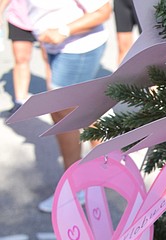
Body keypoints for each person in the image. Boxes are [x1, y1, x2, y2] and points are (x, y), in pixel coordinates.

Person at [26, 0, 111, 211]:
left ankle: (75, 188)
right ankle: (105, 159)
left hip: (77, 49)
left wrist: (63, 30)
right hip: (56, 47)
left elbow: (103, 10)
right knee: (79, 108)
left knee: (63, 116)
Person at [0, 0, 49, 112]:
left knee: (49, 60)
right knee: (21, 59)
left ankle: (55, 100)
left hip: (46, 19)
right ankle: (20, 102)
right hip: (19, 18)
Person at [113, 0, 139, 65]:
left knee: (151, 44)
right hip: (122, 2)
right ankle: (124, 71)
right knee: (123, 47)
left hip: (146, 3)